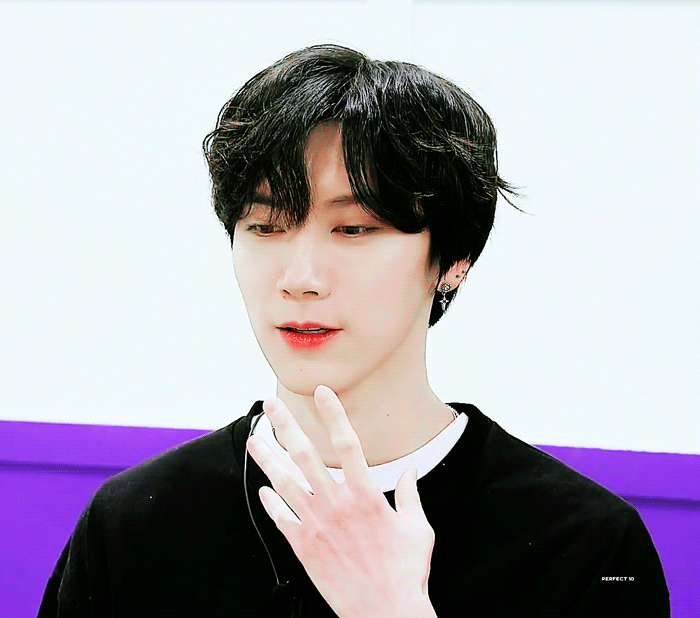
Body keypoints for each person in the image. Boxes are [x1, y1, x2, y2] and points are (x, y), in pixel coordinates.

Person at [38, 45, 670, 618]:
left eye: (355, 229)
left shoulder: (586, 546)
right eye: (265, 226)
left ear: (453, 261)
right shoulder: (133, 523)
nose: (300, 279)